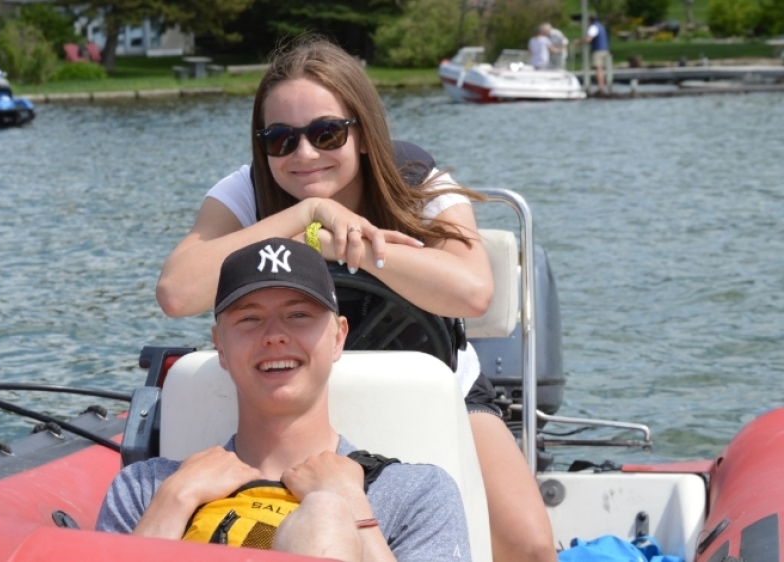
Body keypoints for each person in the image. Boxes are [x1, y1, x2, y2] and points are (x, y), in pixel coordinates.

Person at [156, 35, 556, 562]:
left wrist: (354, 245)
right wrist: (306, 217)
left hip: (441, 383)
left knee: (529, 545)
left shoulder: (418, 183)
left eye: (326, 134)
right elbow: (176, 292)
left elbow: (473, 291)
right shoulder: (246, 192)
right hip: (283, 380)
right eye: (281, 139)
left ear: (363, 134)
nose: (304, 155)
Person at [98, 238, 472, 561]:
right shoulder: (147, 487)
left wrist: (351, 505)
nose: (274, 335)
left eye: (298, 315)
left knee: (324, 516)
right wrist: (174, 501)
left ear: (338, 337)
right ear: (220, 347)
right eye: (249, 319)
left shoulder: (416, 492)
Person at [583, 14, 611, 93]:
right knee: (601, 69)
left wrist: (579, 42)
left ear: (590, 20)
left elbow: (589, 39)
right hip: (605, 49)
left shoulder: (593, 27)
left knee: (598, 69)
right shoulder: (601, 26)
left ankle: (600, 88)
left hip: (598, 50)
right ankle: (603, 86)